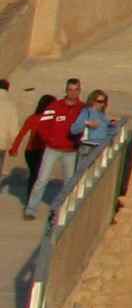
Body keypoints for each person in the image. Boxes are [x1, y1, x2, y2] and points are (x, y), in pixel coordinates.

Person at [20, 79, 83, 219]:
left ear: (79, 91)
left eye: (75, 89)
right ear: (66, 90)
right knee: (41, 180)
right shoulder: (55, 106)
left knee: (69, 183)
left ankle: (64, 212)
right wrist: (50, 140)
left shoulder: (83, 109)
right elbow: (43, 126)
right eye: (70, 89)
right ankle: (30, 209)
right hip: (52, 150)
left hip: (71, 152)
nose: (72, 92)